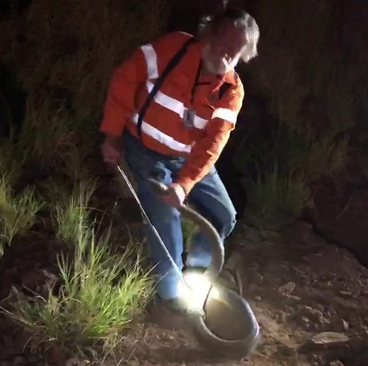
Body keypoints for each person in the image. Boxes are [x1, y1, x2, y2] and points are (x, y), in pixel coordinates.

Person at [99, 8, 260, 314]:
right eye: (222, 44)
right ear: (209, 34)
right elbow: (124, 78)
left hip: (187, 157)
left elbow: (212, 144)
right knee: (164, 213)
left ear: (243, 57)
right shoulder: (173, 48)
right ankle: (168, 298)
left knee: (224, 215)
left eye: (234, 53)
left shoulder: (231, 91)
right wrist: (112, 135)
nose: (224, 56)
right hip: (144, 147)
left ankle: (196, 275)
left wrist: (184, 184)